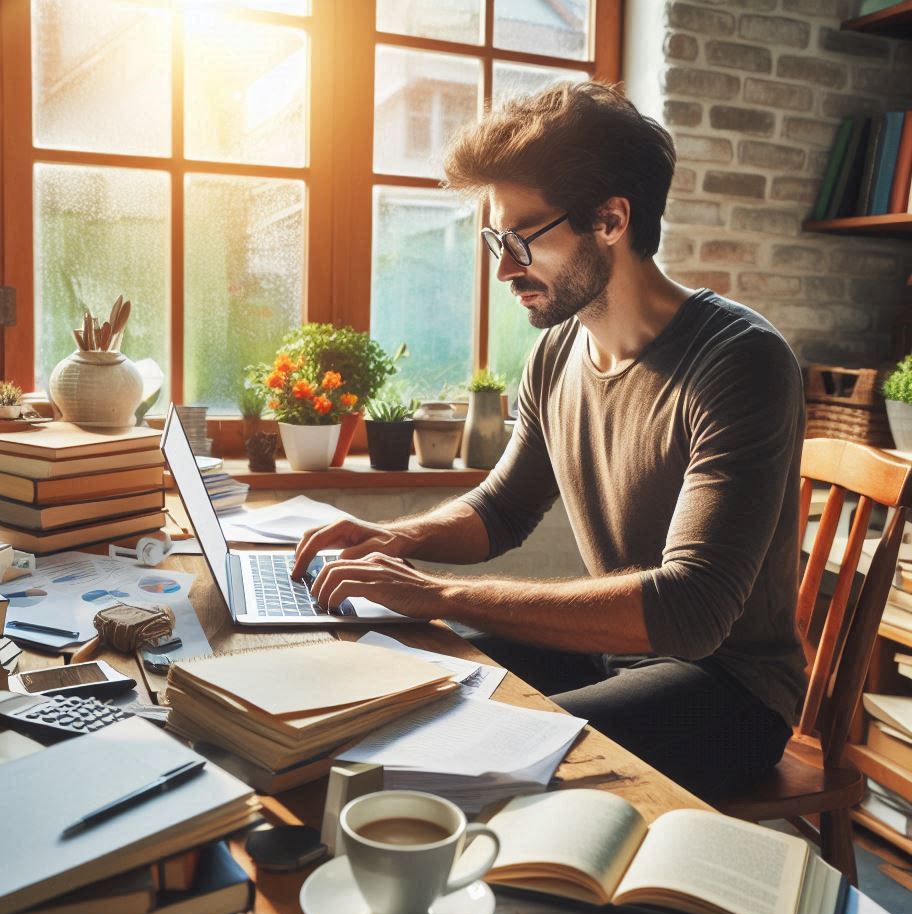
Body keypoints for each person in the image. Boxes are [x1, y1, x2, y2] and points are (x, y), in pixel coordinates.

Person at [292, 81, 805, 800]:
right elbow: (502, 509)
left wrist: (438, 593)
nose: (503, 267)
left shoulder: (740, 360)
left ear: (611, 219)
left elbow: (693, 612)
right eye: (495, 239)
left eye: (522, 238)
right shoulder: (559, 351)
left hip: (727, 691)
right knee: (394, 690)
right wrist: (393, 541)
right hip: (611, 654)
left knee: (467, 763)